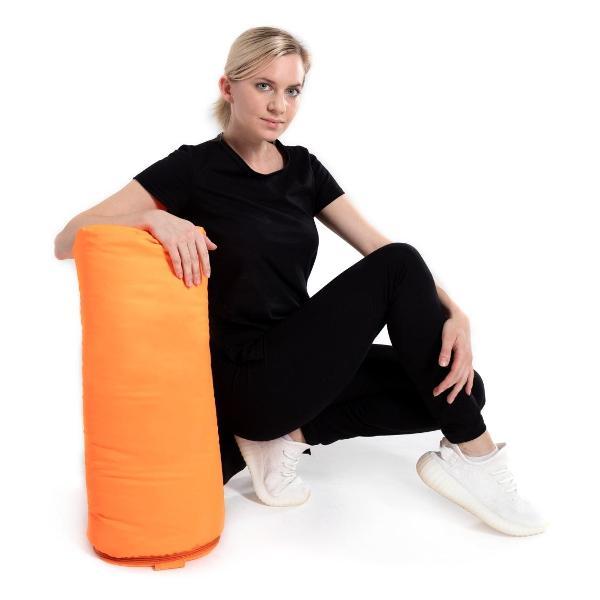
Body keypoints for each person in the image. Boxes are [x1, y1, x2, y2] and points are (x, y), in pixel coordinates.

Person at [55, 26, 548, 536]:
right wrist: (153, 218)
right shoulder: (193, 168)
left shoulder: (304, 170)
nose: (279, 106)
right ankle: (478, 459)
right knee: (403, 270)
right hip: (244, 376)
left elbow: (376, 246)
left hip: (298, 364)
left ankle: (284, 440)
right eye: (263, 86)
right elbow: (68, 238)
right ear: (228, 88)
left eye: (292, 91)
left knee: (460, 384)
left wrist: (456, 313)